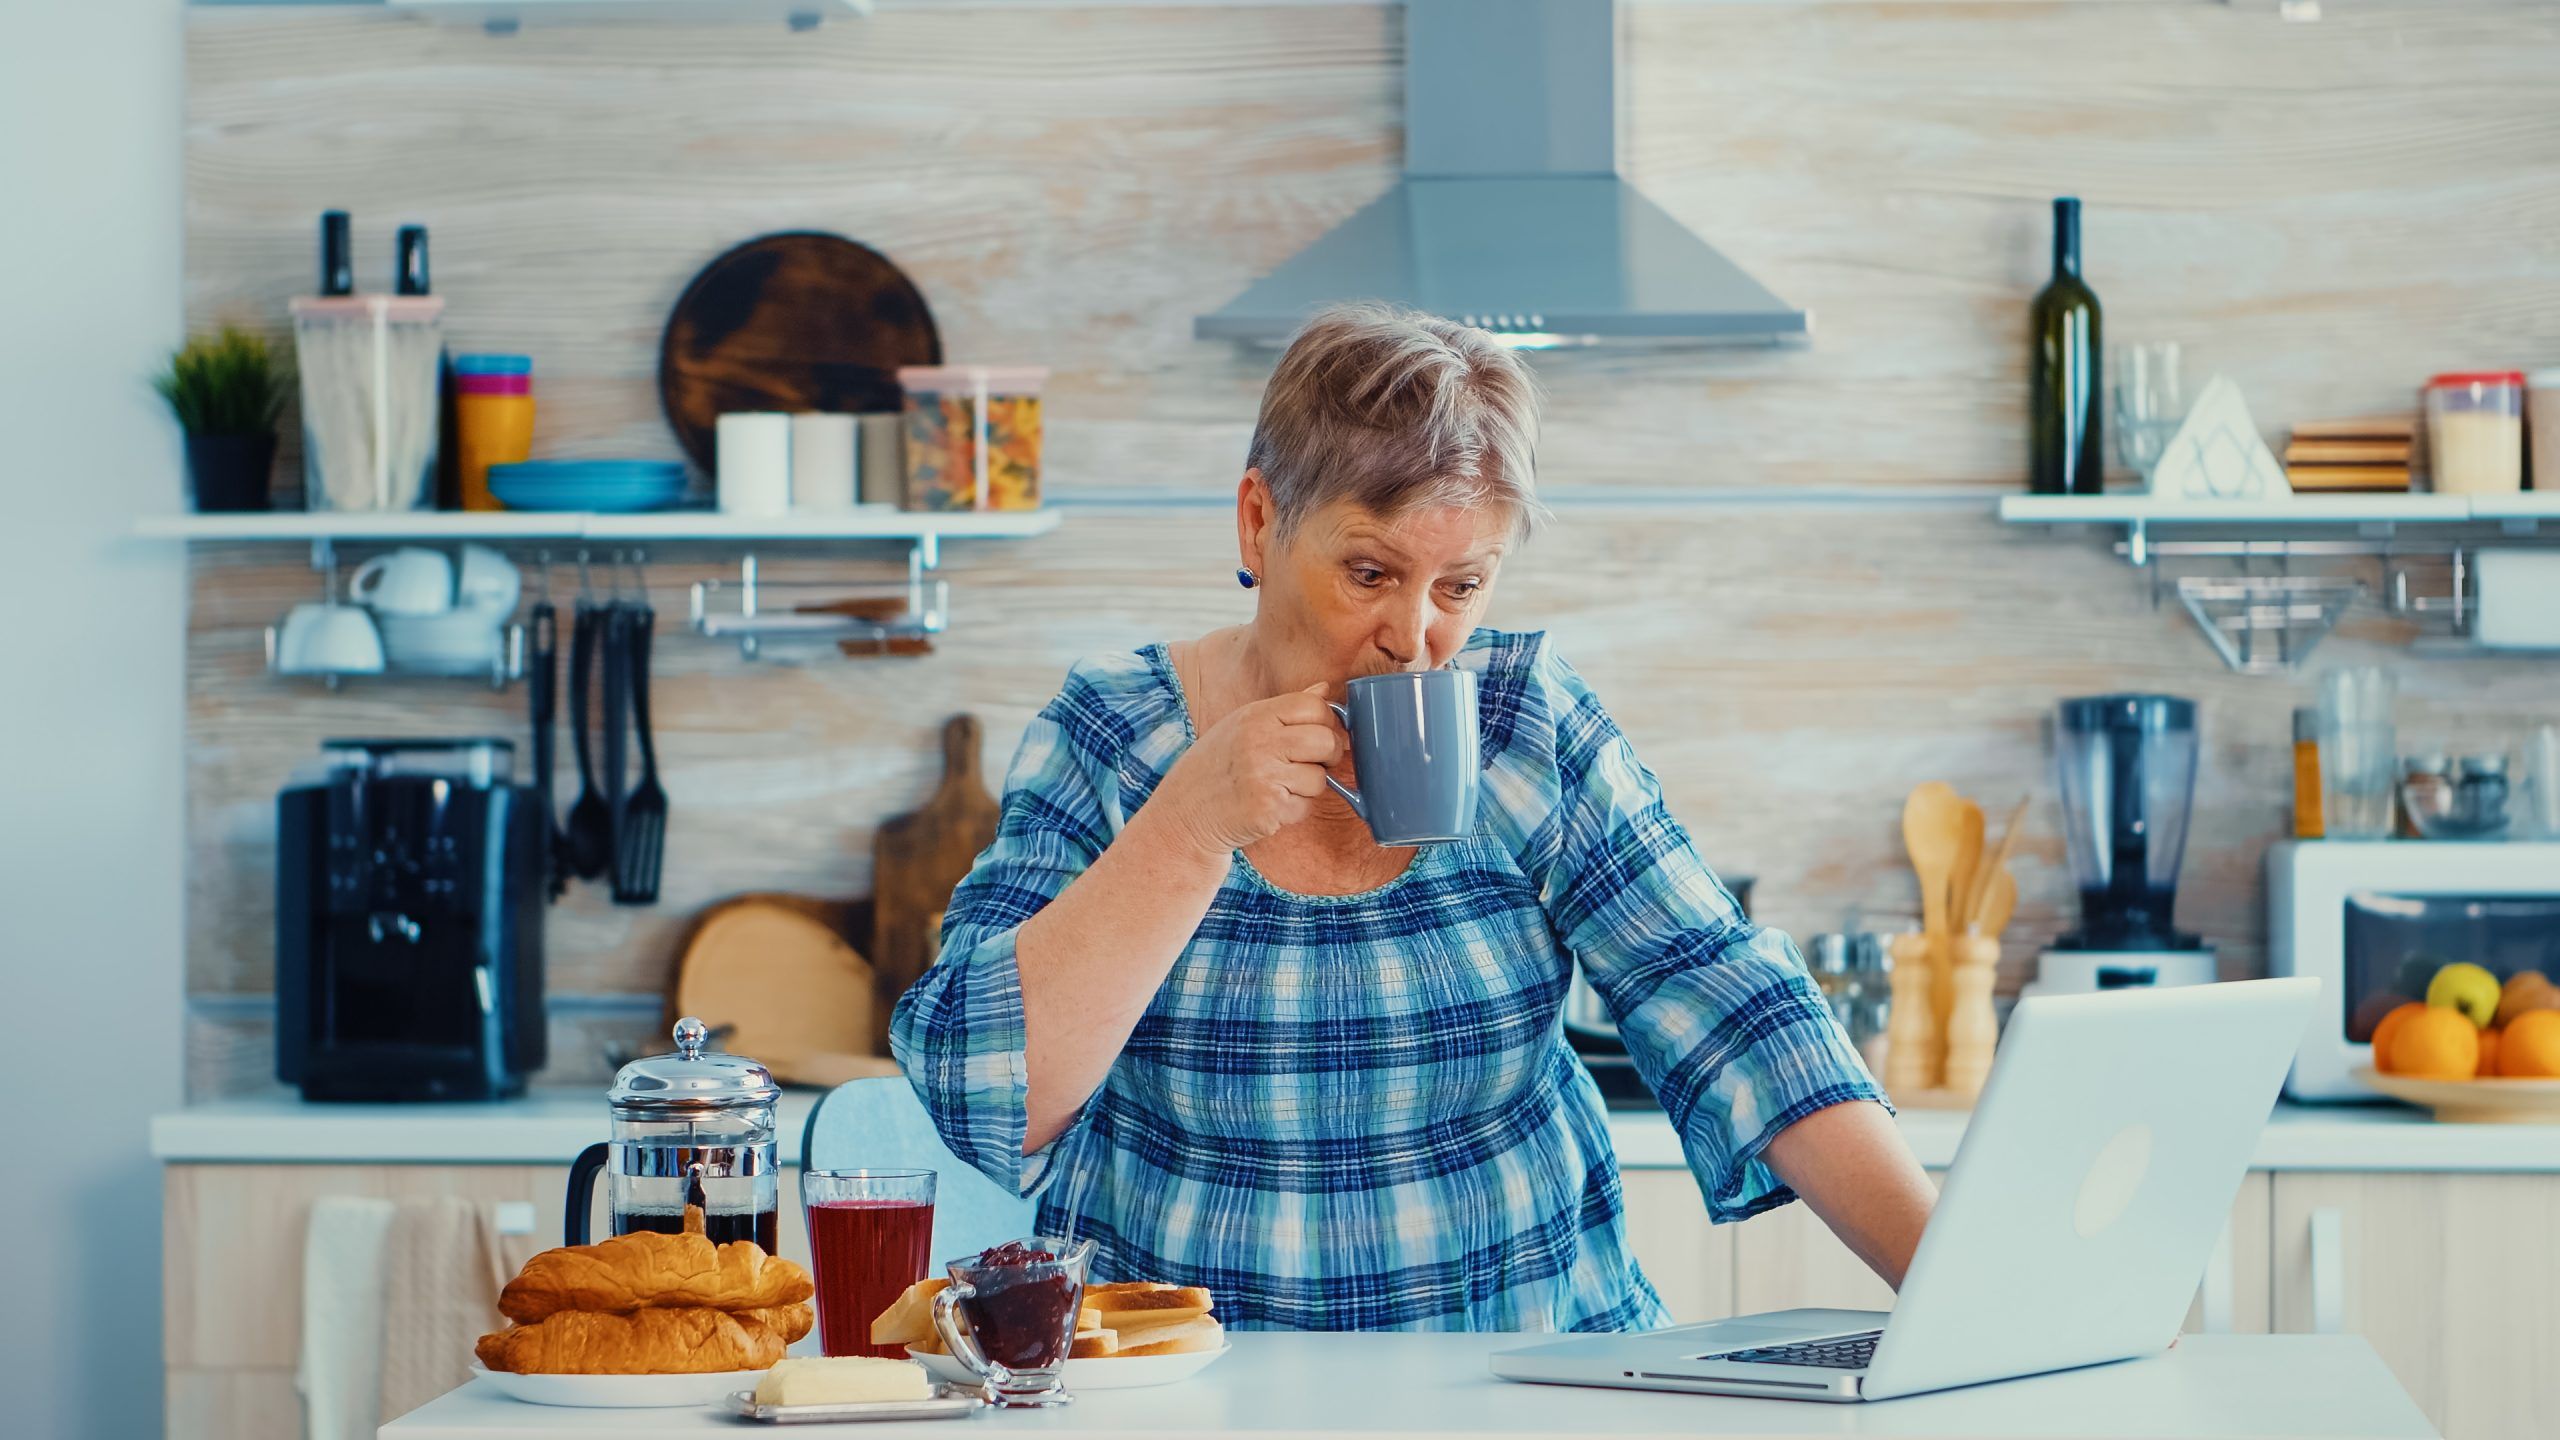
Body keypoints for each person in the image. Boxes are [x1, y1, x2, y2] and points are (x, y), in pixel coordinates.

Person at [892, 302, 1936, 1330]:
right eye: (1369, 572)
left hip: (1533, 1377)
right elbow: (988, 1093)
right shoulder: (1116, 739)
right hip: (1201, 1395)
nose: (1417, 638)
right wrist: (1186, 826)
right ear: (1259, 519)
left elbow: (1734, 1003)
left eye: (1461, 585)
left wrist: (1956, 1294)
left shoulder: (1527, 723)